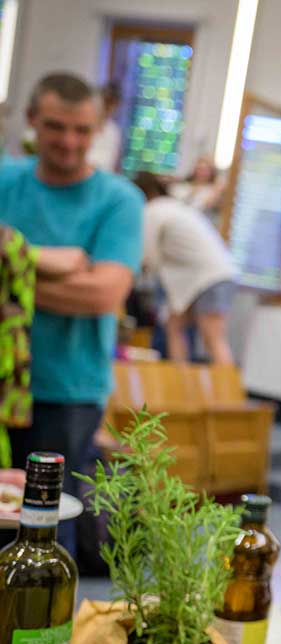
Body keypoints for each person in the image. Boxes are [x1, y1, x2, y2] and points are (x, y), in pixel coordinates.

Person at [0, 72, 142, 561]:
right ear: (33, 120)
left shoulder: (119, 200)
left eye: (83, 131)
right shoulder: (5, 179)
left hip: (68, 396)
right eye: (57, 126)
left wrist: (10, 268)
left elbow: (103, 294)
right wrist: (51, 260)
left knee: (42, 531)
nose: (69, 141)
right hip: (3, 386)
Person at [132, 171, 237, 364]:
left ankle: (226, 392)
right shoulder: (175, 207)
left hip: (210, 277)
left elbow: (147, 257)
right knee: (174, 325)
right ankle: (180, 380)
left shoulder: (153, 210)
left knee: (212, 335)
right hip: (209, 275)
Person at [170, 154, 226, 227]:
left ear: (211, 172)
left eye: (206, 170)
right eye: (200, 169)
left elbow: (203, 208)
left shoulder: (212, 191)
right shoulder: (182, 187)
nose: (202, 173)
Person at [87, 81, 122, 172]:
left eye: (113, 103)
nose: (109, 107)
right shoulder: (83, 126)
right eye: (106, 101)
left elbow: (113, 163)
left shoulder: (114, 131)